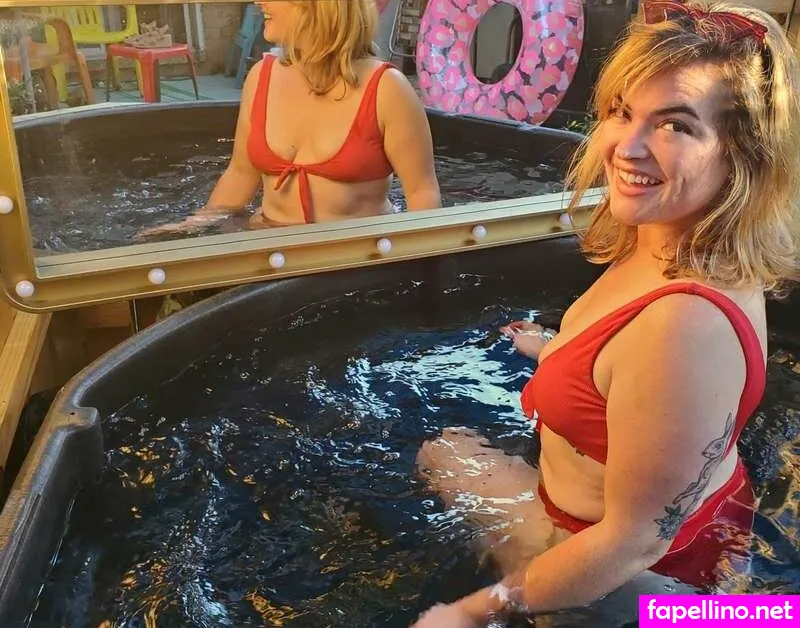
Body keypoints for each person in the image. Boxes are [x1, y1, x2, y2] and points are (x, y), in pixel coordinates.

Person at [411, 1, 800, 626]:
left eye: (675, 125)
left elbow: (631, 543)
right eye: (622, 111)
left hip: (652, 583)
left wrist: (472, 611)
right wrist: (556, 350)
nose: (628, 147)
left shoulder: (685, 326)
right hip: (697, 519)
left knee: (444, 457)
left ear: (742, 157)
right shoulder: (684, 244)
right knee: (445, 452)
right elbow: (637, 378)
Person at [140, 0, 440, 237]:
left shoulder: (387, 89)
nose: (259, 2)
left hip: (352, 260)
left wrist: (416, 265)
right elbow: (241, 173)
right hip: (270, 250)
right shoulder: (261, 77)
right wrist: (192, 226)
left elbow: (421, 192)